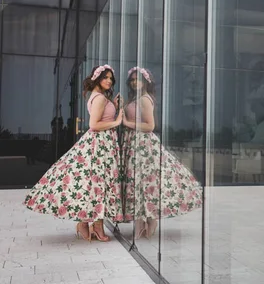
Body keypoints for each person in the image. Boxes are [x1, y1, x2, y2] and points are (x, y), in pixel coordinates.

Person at [23, 64, 124, 242]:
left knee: (97, 185)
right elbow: (94, 125)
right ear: (97, 79)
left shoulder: (100, 97)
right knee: (99, 184)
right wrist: (116, 122)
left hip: (103, 145)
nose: (109, 81)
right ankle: (94, 224)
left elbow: (100, 118)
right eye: (105, 77)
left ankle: (87, 223)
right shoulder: (99, 98)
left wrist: (113, 105)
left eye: (110, 78)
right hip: (100, 145)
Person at [122, 67, 203, 239]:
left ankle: (150, 221)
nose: (135, 82)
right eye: (133, 80)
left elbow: (150, 126)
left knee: (144, 184)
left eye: (138, 79)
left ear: (146, 82)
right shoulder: (137, 98)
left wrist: (126, 123)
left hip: (143, 147)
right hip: (136, 145)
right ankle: (142, 222)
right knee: (138, 185)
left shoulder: (144, 99)